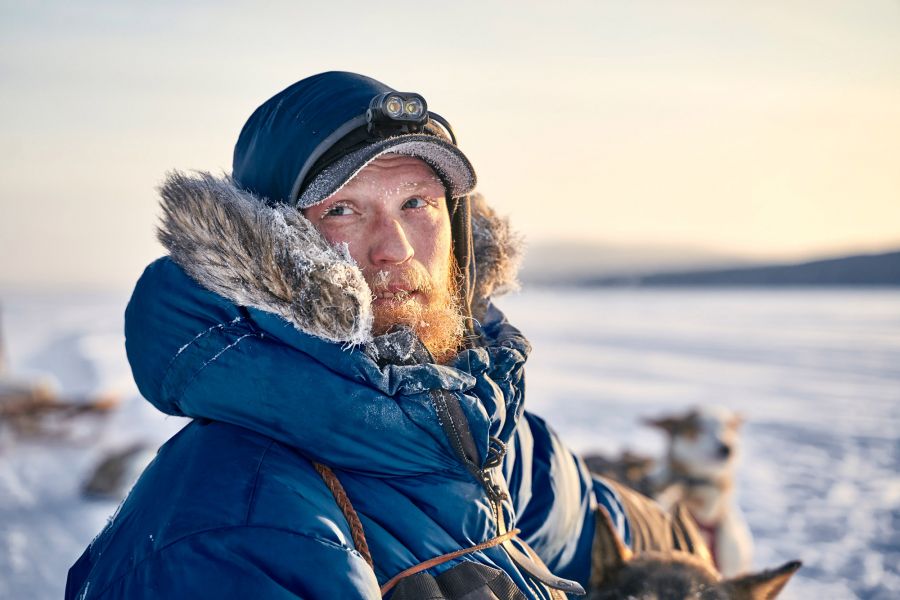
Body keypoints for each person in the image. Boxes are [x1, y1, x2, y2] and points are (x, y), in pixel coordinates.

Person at [65, 71, 685, 599]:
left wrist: (688, 551)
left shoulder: (468, 426)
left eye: (417, 203)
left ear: (460, 230)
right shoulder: (238, 525)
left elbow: (580, 513)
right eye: (342, 209)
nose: (394, 250)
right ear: (274, 248)